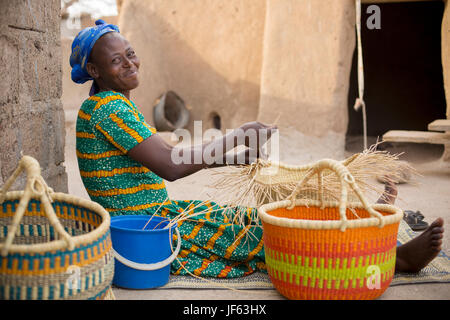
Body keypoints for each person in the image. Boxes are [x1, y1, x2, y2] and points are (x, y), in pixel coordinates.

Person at [70, 20, 444, 278]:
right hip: (149, 229)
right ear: (94, 69)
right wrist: (235, 136)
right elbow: (170, 164)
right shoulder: (108, 108)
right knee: (269, 234)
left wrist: (233, 157)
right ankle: (389, 259)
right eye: (116, 60)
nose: (130, 63)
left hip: (154, 218)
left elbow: (165, 159)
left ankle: (373, 231)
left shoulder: (110, 107)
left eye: (130, 53)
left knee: (256, 220)